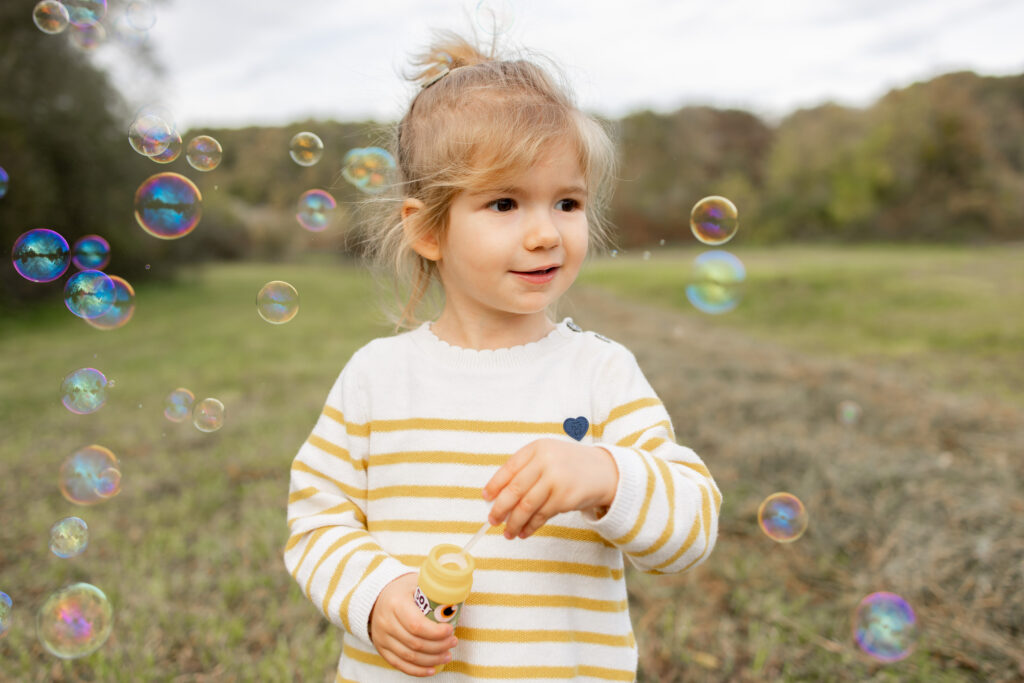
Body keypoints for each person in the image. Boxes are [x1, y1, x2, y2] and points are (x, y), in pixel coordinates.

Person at [284, 29, 722, 682]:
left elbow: (692, 526)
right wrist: (374, 595)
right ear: (428, 228)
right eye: (505, 202)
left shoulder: (599, 373)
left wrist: (606, 475)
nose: (546, 231)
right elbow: (317, 521)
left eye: (567, 202)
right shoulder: (375, 379)